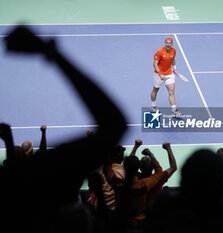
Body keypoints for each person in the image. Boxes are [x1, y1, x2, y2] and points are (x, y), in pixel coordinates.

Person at [2, 26, 126, 233]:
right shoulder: (46, 177)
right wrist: (53, 55)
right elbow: (114, 125)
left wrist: (8, 143)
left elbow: (14, 176)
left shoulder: (14, 189)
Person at [150, 37, 181, 116]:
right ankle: (153, 105)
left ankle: (174, 111)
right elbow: (155, 64)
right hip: (158, 74)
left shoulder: (174, 50)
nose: (168, 44)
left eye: (169, 43)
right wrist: (160, 74)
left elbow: (173, 59)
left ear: (172, 44)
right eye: (167, 42)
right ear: (164, 43)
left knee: (172, 92)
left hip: (169, 73)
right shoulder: (159, 52)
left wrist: (175, 69)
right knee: (155, 89)